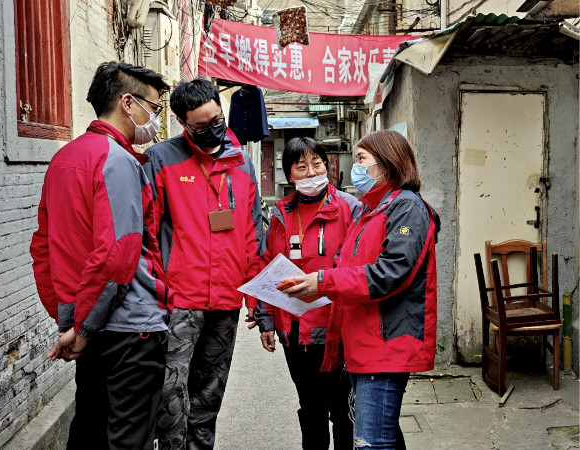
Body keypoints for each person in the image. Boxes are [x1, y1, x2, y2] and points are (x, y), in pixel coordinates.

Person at [29, 61, 173, 450]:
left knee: (90, 429)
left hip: (89, 321)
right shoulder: (118, 160)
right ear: (128, 103)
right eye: (154, 108)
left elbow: (43, 248)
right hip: (130, 327)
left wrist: (71, 321)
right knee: (129, 436)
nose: (155, 120)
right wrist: (83, 327)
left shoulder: (65, 157)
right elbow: (117, 253)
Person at [280, 130, 439, 450]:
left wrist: (322, 281)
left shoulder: (406, 208)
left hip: (385, 343)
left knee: (371, 441)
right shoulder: (372, 209)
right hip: (362, 342)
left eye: (362, 159)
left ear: (387, 164)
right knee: (378, 436)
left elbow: (389, 273)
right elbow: (349, 267)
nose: (355, 167)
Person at [143, 77, 263, 450]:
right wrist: (154, 289)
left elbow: (252, 233)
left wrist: (254, 298)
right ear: (183, 123)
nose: (212, 130)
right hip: (179, 299)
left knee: (210, 391)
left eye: (217, 121)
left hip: (226, 298)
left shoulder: (242, 163)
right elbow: (147, 233)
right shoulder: (162, 159)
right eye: (201, 126)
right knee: (171, 390)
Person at [254, 137, 360, 450]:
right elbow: (267, 268)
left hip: (339, 329)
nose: (312, 172)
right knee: (311, 406)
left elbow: (362, 267)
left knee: (343, 408)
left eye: (317, 164)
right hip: (295, 329)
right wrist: (265, 319)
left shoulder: (350, 208)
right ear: (290, 175)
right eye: (302, 167)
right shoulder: (280, 215)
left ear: (327, 166)